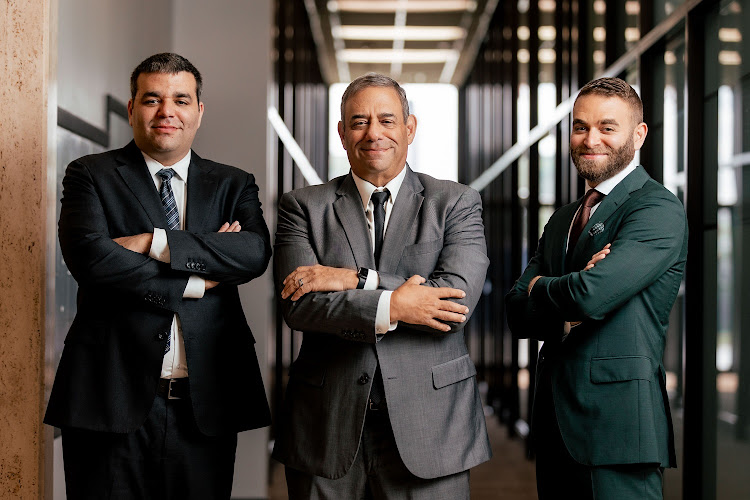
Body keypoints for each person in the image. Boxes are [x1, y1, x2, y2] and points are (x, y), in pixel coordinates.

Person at [44, 53, 272, 499]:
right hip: (108, 397)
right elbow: (92, 259)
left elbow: (253, 254)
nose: (167, 111)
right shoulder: (90, 175)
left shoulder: (233, 184)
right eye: (152, 99)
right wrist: (197, 278)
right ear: (132, 109)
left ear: (199, 111)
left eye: (181, 100)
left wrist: (154, 242)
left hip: (205, 401)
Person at [271, 73, 491, 499]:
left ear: (409, 128)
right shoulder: (302, 206)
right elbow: (300, 307)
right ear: (342, 133)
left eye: (387, 120)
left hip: (431, 424)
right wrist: (398, 304)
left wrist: (355, 279)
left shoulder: (456, 202)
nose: (374, 133)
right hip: (326, 423)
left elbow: (454, 303)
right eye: (359, 122)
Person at [506, 77, 688, 499]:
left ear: (638, 134)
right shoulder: (563, 218)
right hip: (555, 423)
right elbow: (516, 312)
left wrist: (541, 285)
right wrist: (567, 296)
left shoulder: (656, 208)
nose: (591, 140)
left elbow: (590, 296)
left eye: (607, 127)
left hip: (617, 428)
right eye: (580, 127)